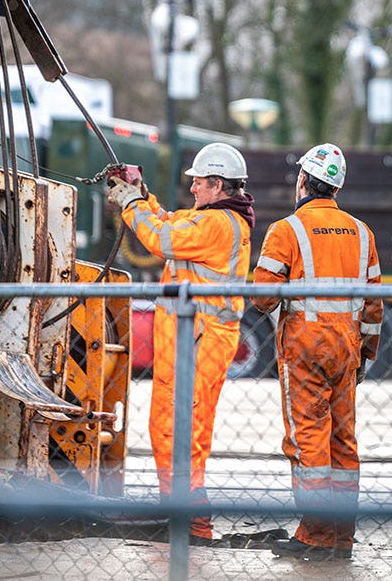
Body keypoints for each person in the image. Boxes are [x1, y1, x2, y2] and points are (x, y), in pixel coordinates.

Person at [107, 142, 254, 544]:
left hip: (198, 341)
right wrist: (141, 192)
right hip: (195, 341)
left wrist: (131, 204)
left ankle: (188, 521)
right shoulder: (215, 220)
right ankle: (184, 516)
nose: (192, 188)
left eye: (198, 183)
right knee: (180, 431)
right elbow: (169, 220)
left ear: (218, 184)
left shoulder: (217, 225)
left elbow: (161, 238)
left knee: (179, 431)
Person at [251, 143, 383, 561]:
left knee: (308, 440)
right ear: (336, 188)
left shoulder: (287, 230)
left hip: (304, 350)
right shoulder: (363, 233)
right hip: (346, 349)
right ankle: (342, 536)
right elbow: (374, 305)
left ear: (304, 181)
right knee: (344, 441)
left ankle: (315, 535)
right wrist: (367, 355)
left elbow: (262, 298)